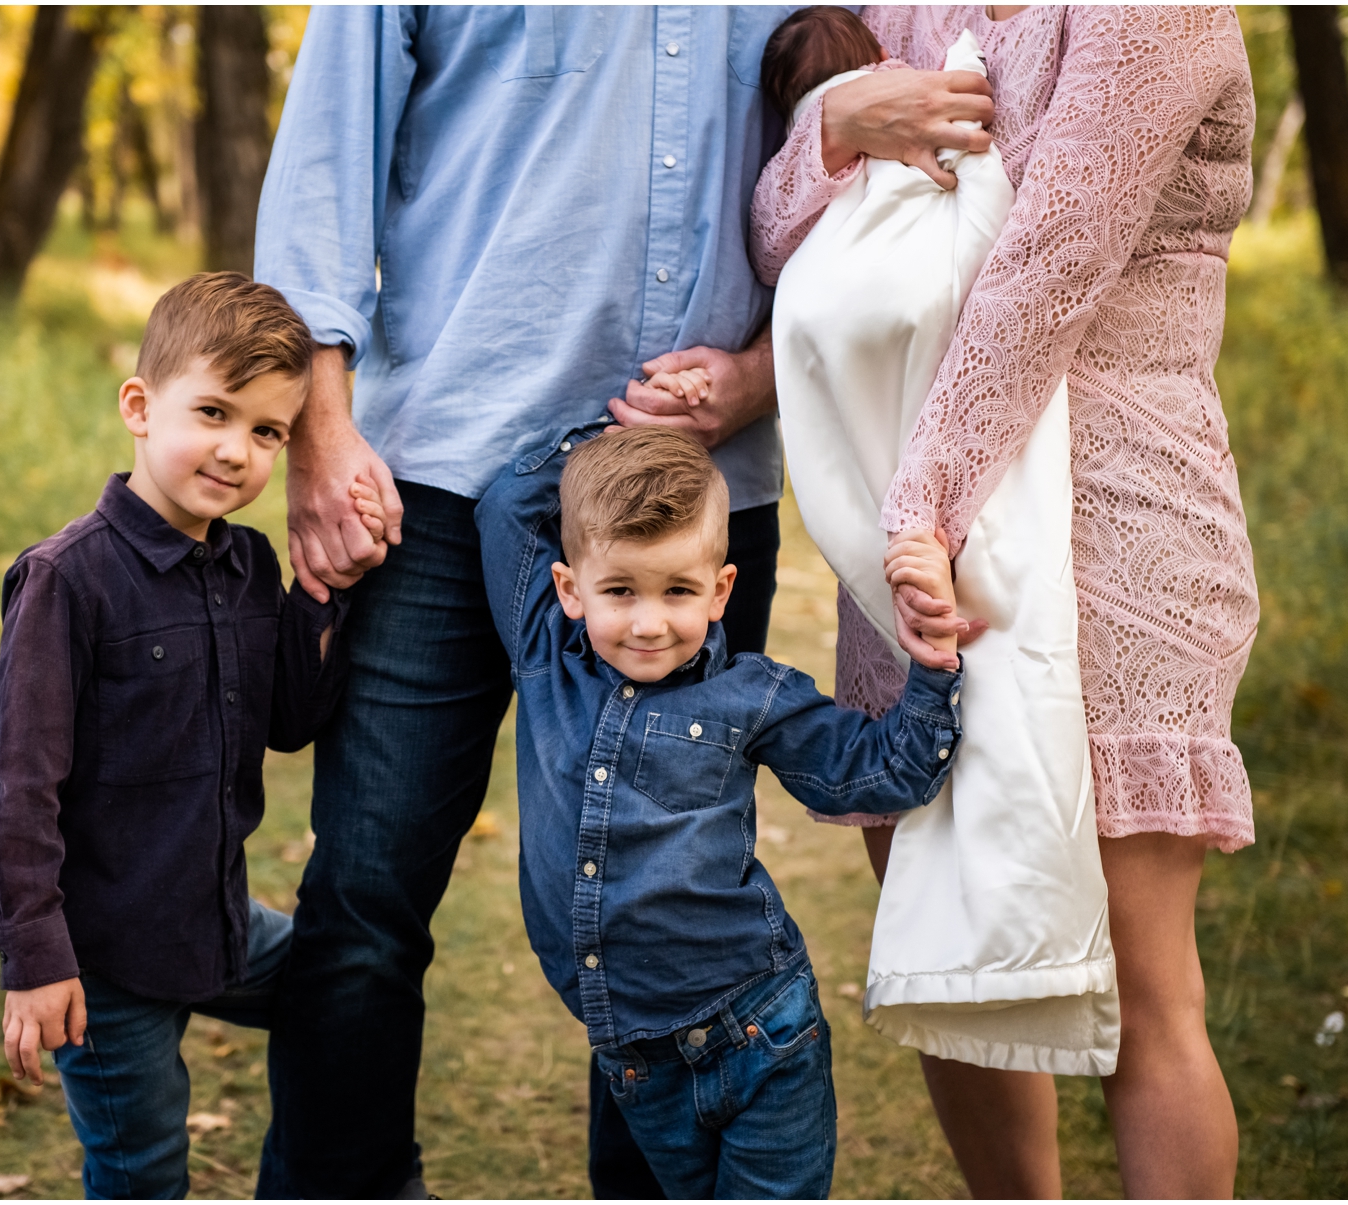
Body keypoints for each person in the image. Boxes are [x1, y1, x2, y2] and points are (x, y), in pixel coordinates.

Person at [250, 8, 997, 1196]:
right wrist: (318, 428)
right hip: (437, 473)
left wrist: (762, 378)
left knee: (667, 903)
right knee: (365, 895)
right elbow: (323, 165)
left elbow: (860, 165)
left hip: (691, 490)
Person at [750, 6, 1260, 1197]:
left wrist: (922, 512)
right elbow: (783, 240)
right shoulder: (898, 12)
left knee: (1146, 989)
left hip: (1116, 526)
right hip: (918, 552)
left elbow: (1051, 264)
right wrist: (832, 123)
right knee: (955, 955)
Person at [474, 422, 963, 1198]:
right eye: (619, 590)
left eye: (677, 590)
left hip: (760, 1034)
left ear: (721, 590)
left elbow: (883, 770)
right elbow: (506, 506)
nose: (648, 621)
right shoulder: (546, 660)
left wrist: (935, 668)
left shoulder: (750, 696)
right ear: (571, 589)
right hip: (639, 1064)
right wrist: (621, 432)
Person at [0, 273, 381, 1199]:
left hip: (218, 920)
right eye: (212, 411)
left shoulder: (246, 564)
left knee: (351, 984)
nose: (237, 450)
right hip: (106, 960)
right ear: (139, 405)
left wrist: (322, 595)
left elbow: (288, 722)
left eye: (268, 431)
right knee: (143, 1171)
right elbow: (20, 788)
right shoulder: (66, 581)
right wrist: (36, 961)